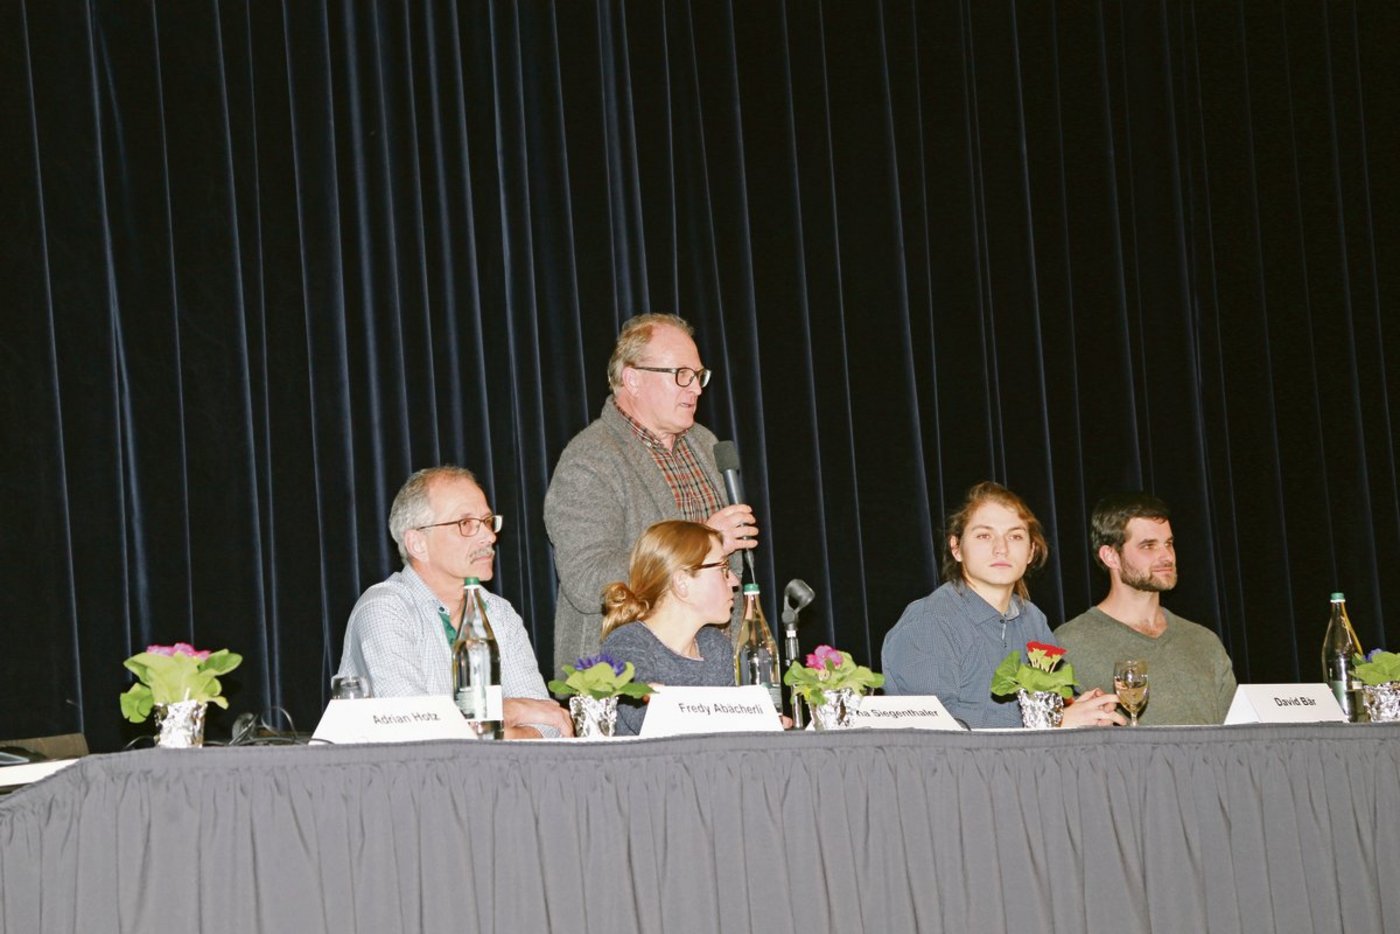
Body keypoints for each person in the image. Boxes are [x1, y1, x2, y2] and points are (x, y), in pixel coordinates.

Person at [544, 313, 757, 673]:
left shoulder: (705, 444)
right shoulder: (589, 459)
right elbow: (586, 579)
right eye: (682, 375)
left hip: (717, 667)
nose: (696, 388)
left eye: (699, 376)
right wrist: (702, 543)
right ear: (633, 379)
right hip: (625, 676)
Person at [337, 466, 573, 739]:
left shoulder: (500, 613)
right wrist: (511, 711)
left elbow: (550, 724)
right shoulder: (384, 609)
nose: (489, 536)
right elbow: (414, 727)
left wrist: (486, 728)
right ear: (417, 543)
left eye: (487, 521)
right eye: (466, 524)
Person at [882, 481, 1124, 729]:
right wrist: (1051, 721)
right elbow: (936, 728)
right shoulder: (929, 621)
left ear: (1031, 552)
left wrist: (1083, 708)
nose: (1001, 548)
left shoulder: (1033, 619)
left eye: (1015, 536)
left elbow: (1057, 700)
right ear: (956, 548)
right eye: (984, 535)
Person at [1054, 492, 1237, 724]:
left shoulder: (1203, 642)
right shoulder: (1070, 644)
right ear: (1110, 556)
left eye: (1168, 543)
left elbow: (1240, 736)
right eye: (1149, 546)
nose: (1166, 556)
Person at [597, 520, 743, 735]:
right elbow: (652, 721)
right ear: (681, 583)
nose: (735, 581)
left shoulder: (714, 645)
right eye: (723, 569)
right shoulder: (626, 644)